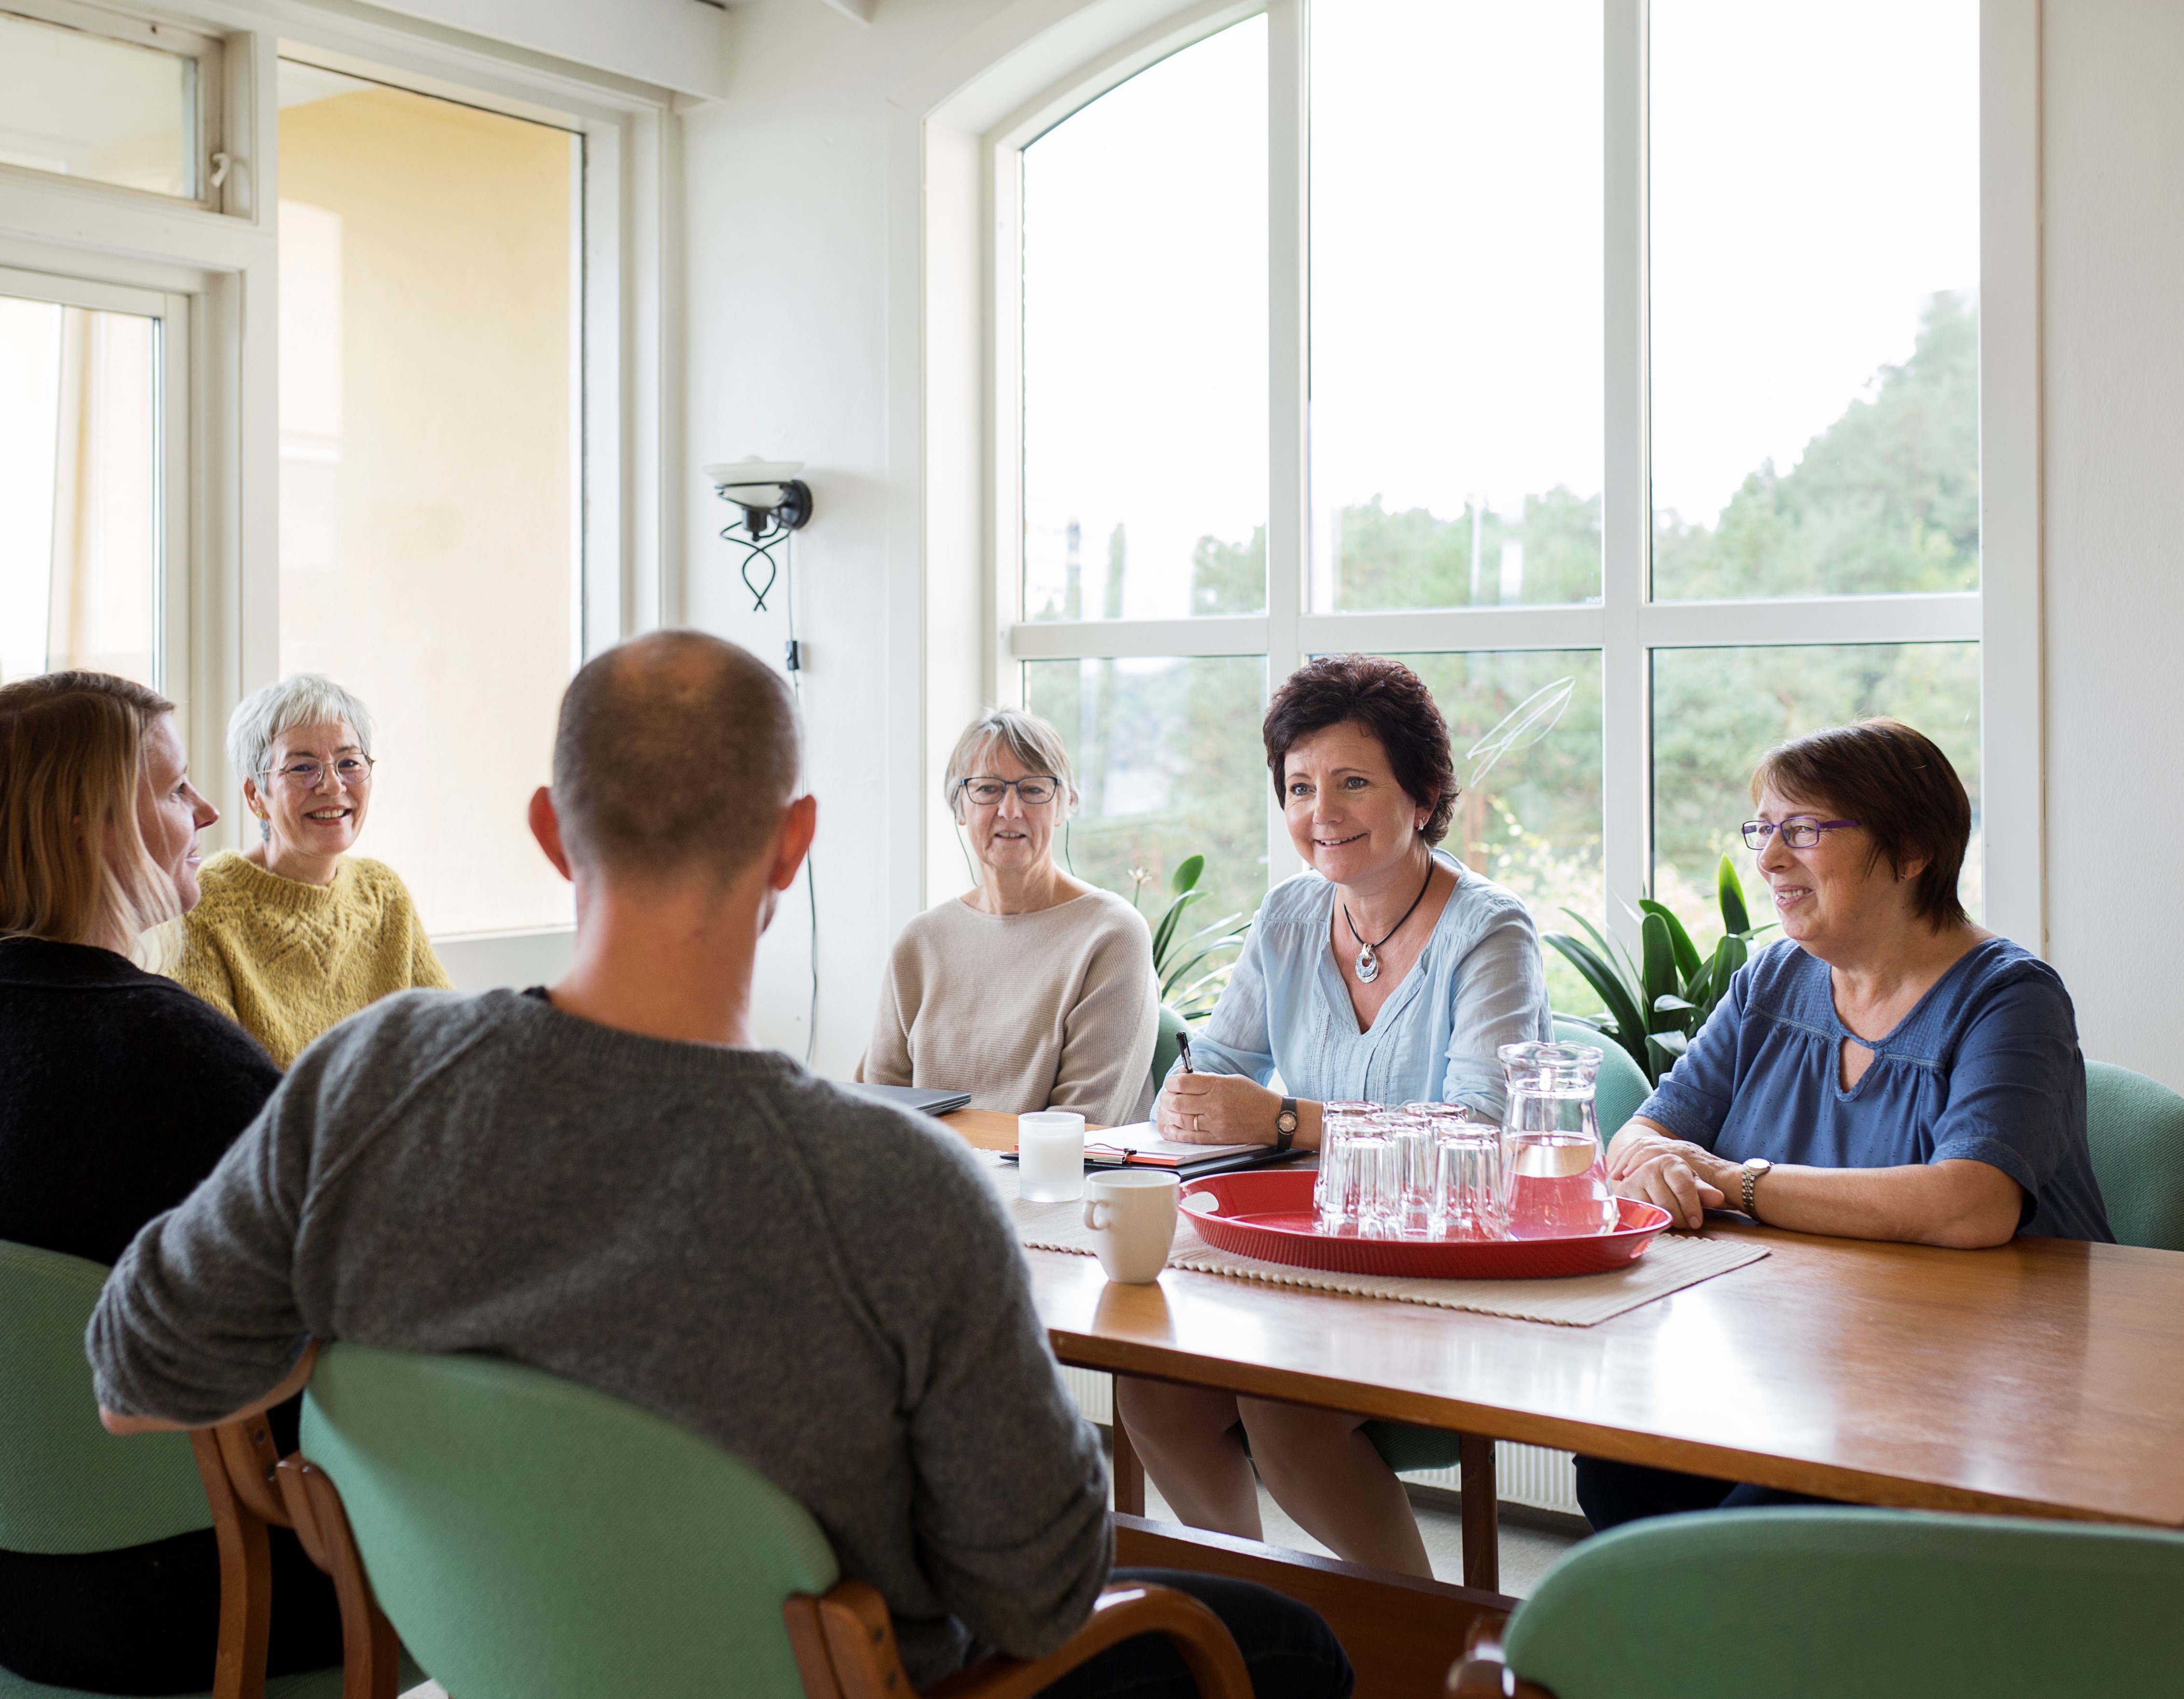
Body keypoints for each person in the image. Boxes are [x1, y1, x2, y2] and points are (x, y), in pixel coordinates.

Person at [86, 630, 1353, 1699]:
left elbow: (136, 1373)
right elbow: (1039, 1588)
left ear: (550, 833)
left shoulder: (368, 1080)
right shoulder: (898, 1190)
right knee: (1289, 1639)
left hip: (499, 1661)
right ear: (792, 844)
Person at [0, 670, 341, 1693]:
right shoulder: (182, 1060)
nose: (208, 812)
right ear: (87, 820)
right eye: (178, 788)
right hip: (224, 1592)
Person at [1579, 717, 2113, 1530]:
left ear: (1910, 851)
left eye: (1803, 830)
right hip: (1812, 1358)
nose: (1767, 859)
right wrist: (1652, 1162)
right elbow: (1644, 1133)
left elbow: (1971, 1205)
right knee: (1619, 1470)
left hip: (1984, 1386)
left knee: (1765, 1521)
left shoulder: (2009, 997)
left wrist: (1734, 1184)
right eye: (1763, 829)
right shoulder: (1775, 979)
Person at [1117, 655, 1550, 1577]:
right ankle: (1247, 1615)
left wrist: (1283, 1123)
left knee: (1286, 1405)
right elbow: (1214, 1073)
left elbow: (1481, 1134)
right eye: (1300, 787)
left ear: (1425, 794)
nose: (1323, 813)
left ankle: (1420, 1642)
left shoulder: (1490, 931)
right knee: (1152, 1387)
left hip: (1445, 1262)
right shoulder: (1286, 916)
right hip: (1301, 1253)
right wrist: (1194, 1103)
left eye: (1354, 782)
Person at [861, 707, 1156, 1123]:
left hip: (1056, 1186)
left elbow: (1084, 1126)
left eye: (1034, 790)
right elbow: (879, 1111)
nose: (1010, 810)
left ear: (1065, 805)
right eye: (988, 789)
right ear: (959, 806)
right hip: (924, 1183)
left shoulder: (1111, 934)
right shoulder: (921, 941)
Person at [173, 672, 449, 1067]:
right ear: (256, 796)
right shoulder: (205, 907)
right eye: (303, 768)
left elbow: (451, 1042)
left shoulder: (383, 894)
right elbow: (218, 1084)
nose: (332, 785)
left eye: (349, 762)